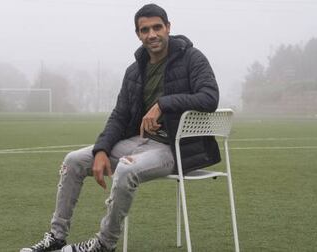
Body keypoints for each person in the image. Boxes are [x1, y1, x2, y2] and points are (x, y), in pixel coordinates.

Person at [20, 3, 220, 252]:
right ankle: (56, 237)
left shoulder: (192, 58)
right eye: (144, 30)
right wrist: (102, 149)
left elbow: (210, 98)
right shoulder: (134, 71)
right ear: (138, 34)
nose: (152, 34)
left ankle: (104, 244)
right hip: (140, 141)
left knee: (126, 170)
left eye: (157, 27)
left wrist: (162, 104)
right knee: (73, 160)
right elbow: (120, 115)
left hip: (177, 147)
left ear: (168, 28)